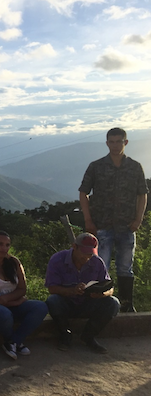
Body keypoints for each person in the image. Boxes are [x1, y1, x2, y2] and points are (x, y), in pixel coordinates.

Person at [79, 128, 148, 312]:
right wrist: (88, 220)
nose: (115, 145)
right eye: (112, 141)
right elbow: (83, 192)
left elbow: (142, 194)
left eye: (119, 141)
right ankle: (100, 306)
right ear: (107, 143)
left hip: (127, 225)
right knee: (100, 267)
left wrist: (138, 220)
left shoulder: (135, 167)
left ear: (126, 142)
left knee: (125, 268)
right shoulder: (96, 166)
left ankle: (126, 305)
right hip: (102, 225)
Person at [0, 231, 48, 360]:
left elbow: (22, 289)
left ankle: (13, 342)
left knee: (40, 307)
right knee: (3, 313)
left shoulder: (14, 262)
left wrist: (7, 299)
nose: (4, 248)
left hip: (11, 304)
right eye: (0, 244)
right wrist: (14, 302)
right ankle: (12, 341)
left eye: (7, 245)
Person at [45, 232, 120, 354]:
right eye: (84, 253)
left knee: (113, 303)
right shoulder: (57, 259)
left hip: (89, 303)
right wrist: (72, 291)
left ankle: (88, 336)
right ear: (74, 247)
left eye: (90, 254)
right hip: (67, 302)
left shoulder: (97, 262)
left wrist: (102, 294)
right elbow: (52, 288)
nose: (87, 257)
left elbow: (109, 288)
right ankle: (65, 335)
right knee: (53, 301)